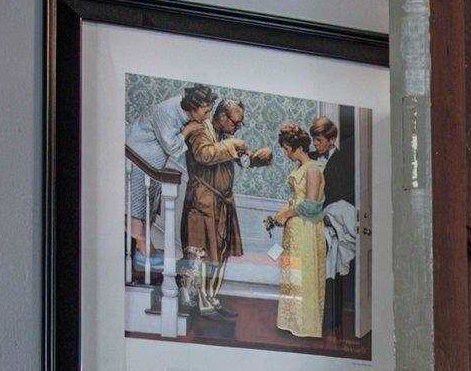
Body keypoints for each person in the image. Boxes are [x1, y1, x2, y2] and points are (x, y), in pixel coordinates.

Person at [179, 96, 271, 318]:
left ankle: (211, 298)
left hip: (223, 204)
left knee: (220, 256)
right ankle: (202, 303)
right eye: (235, 122)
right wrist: (232, 145)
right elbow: (204, 154)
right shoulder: (198, 130)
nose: (237, 128)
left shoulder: (226, 136)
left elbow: (243, 160)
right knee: (202, 255)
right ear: (221, 116)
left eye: (240, 124)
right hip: (202, 202)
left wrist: (259, 159)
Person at [124, 84, 208, 293]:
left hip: (151, 165)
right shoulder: (167, 111)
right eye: (206, 111)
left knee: (148, 207)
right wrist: (188, 130)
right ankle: (142, 252)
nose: (207, 116)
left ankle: (145, 251)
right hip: (138, 160)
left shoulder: (183, 112)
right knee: (137, 208)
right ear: (195, 107)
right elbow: (171, 146)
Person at [265, 120, 328, 339]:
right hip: (294, 229)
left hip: (306, 230)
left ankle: (305, 326)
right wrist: (279, 215)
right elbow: (297, 200)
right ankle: (290, 322)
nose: (284, 152)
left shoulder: (312, 170)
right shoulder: (300, 168)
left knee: (304, 275)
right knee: (292, 274)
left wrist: (287, 214)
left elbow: (311, 205)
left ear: (297, 147)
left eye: (285, 148)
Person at [309, 112, 359, 338]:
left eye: (319, 140)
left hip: (335, 219)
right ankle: (316, 318)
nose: (315, 144)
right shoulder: (310, 158)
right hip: (317, 218)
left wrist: (330, 212)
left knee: (334, 270)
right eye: (314, 140)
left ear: (330, 140)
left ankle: (332, 321)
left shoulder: (341, 160)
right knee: (318, 269)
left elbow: (343, 191)